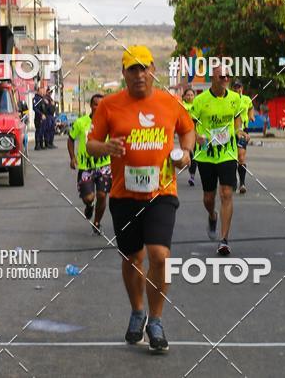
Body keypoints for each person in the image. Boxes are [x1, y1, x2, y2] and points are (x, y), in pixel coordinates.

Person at [87, 45, 195, 355]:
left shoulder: (169, 102)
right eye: (132, 69)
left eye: (144, 68)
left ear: (153, 70)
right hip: (124, 195)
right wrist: (106, 148)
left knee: (159, 255)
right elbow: (91, 144)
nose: (139, 74)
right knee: (132, 258)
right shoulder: (109, 106)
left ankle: (156, 321)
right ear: (124, 73)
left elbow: (188, 130)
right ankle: (137, 311)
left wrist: (186, 152)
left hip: (162, 192)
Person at [190, 66, 246, 256]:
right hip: (206, 154)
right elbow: (190, 125)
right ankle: (212, 215)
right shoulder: (200, 100)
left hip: (227, 153)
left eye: (228, 76)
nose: (225, 79)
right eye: (221, 76)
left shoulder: (235, 98)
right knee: (209, 197)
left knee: (226, 193)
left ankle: (224, 240)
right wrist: (196, 136)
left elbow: (237, 120)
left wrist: (238, 131)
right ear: (212, 78)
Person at [68, 93, 111, 234]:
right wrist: (72, 158)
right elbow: (71, 139)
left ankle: (97, 223)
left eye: (101, 104)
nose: (98, 107)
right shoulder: (81, 122)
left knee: (102, 195)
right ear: (91, 106)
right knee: (88, 197)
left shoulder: (110, 122)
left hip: (104, 165)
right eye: (95, 104)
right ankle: (89, 205)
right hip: (86, 167)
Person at [232, 80, 254, 194]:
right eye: (235, 87)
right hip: (230, 131)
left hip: (243, 131)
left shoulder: (247, 99)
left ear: (242, 88)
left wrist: (251, 116)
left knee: (241, 157)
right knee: (231, 158)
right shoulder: (229, 99)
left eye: (239, 87)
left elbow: (250, 108)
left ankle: (242, 183)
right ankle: (233, 181)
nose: (237, 89)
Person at [181, 87, 197, 186]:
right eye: (188, 95)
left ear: (194, 96)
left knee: (197, 155)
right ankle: (192, 174)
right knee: (190, 154)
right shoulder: (182, 105)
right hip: (186, 132)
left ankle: (193, 176)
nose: (190, 97)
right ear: (184, 96)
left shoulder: (197, 105)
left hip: (197, 132)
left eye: (191, 95)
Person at [33, 86, 46, 150]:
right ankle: (37, 145)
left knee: (42, 131)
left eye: (43, 91)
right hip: (38, 117)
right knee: (38, 131)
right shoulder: (36, 98)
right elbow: (34, 108)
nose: (42, 92)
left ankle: (41, 144)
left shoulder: (42, 98)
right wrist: (41, 114)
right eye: (41, 91)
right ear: (38, 91)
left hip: (43, 117)